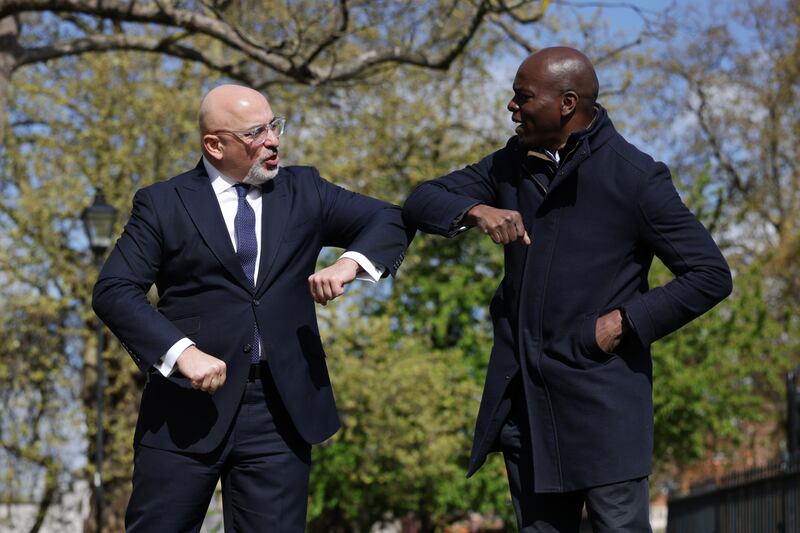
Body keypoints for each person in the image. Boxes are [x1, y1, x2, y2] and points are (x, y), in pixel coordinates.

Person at [403, 47, 732, 532]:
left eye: (523, 97)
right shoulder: (508, 166)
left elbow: (710, 274)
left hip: (605, 411)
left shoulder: (636, 177)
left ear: (566, 103)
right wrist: (477, 212)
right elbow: (421, 200)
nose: (511, 107)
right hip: (527, 413)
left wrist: (622, 323)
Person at [93, 84, 411, 532]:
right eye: (256, 132)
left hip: (280, 411)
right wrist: (182, 352)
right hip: (185, 408)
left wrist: (348, 263)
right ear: (215, 145)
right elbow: (114, 289)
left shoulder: (306, 190)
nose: (273, 140)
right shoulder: (163, 203)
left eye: (274, 126)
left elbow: (390, 218)